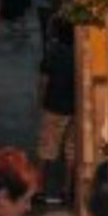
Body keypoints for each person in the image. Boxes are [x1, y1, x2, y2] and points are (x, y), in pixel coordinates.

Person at [36, 23, 78, 202]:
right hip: (75, 108)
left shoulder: (53, 52)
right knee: (71, 151)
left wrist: (41, 101)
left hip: (54, 106)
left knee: (46, 149)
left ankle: (39, 189)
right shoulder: (79, 53)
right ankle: (67, 190)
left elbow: (44, 80)